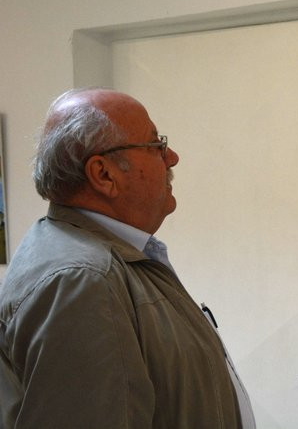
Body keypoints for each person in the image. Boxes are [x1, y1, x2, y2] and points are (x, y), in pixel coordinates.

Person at [0, 87, 255, 428]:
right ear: (104, 174)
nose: (172, 157)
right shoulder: (83, 280)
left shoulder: (106, 260)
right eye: (156, 145)